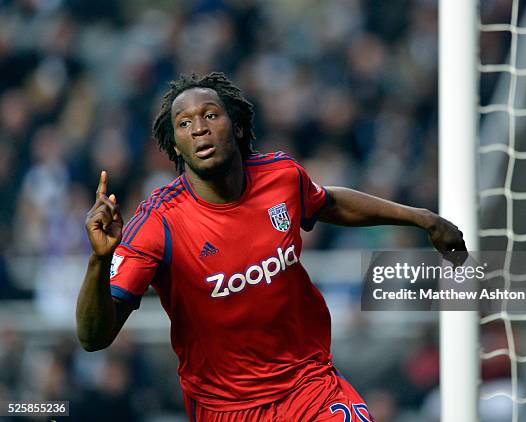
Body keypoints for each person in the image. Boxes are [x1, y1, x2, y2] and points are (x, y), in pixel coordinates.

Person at [76, 72, 467, 421]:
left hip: (310, 384)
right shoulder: (157, 224)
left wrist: (422, 218)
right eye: (184, 123)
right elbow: (94, 338)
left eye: (211, 115)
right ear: (175, 145)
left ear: (238, 126)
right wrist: (99, 260)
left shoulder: (281, 177)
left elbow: (329, 203)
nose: (199, 128)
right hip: (226, 408)